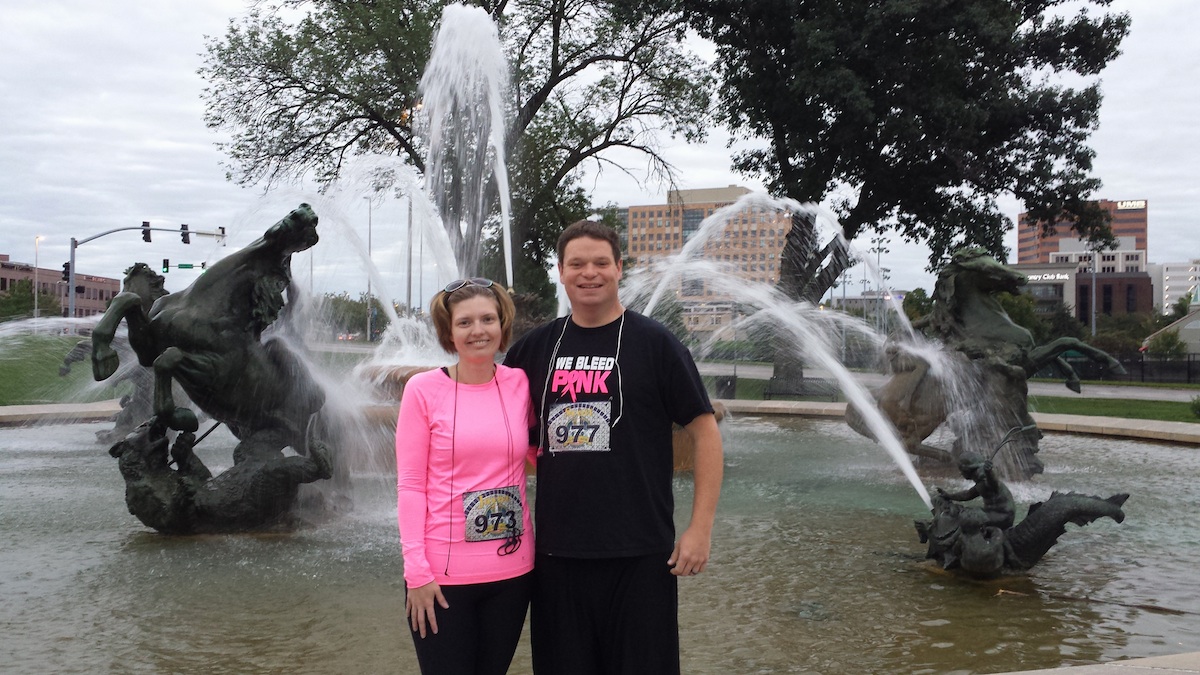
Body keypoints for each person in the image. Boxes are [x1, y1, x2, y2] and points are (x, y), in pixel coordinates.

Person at [504, 220, 724, 675]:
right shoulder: (532, 350)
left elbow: (705, 433)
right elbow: (496, 434)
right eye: (577, 264)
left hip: (641, 554)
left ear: (619, 268)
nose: (589, 273)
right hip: (557, 555)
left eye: (601, 263)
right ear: (561, 272)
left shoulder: (657, 345)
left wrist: (700, 529)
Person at [396, 278, 536, 675]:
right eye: (465, 322)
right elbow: (411, 485)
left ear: (502, 325)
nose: (478, 331)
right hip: (442, 578)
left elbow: (533, 450)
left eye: (488, 319)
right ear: (449, 332)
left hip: (513, 573)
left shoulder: (519, 383)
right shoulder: (423, 390)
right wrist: (416, 571)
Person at [936, 451, 1016, 530]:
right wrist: (948, 496)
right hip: (993, 513)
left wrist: (989, 473)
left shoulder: (986, 481)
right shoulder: (980, 483)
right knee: (966, 514)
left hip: (1002, 516)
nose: (961, 473)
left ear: (968, 470)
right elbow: (967, 495)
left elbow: (994, 483)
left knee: (967, 516)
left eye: (962, 470)